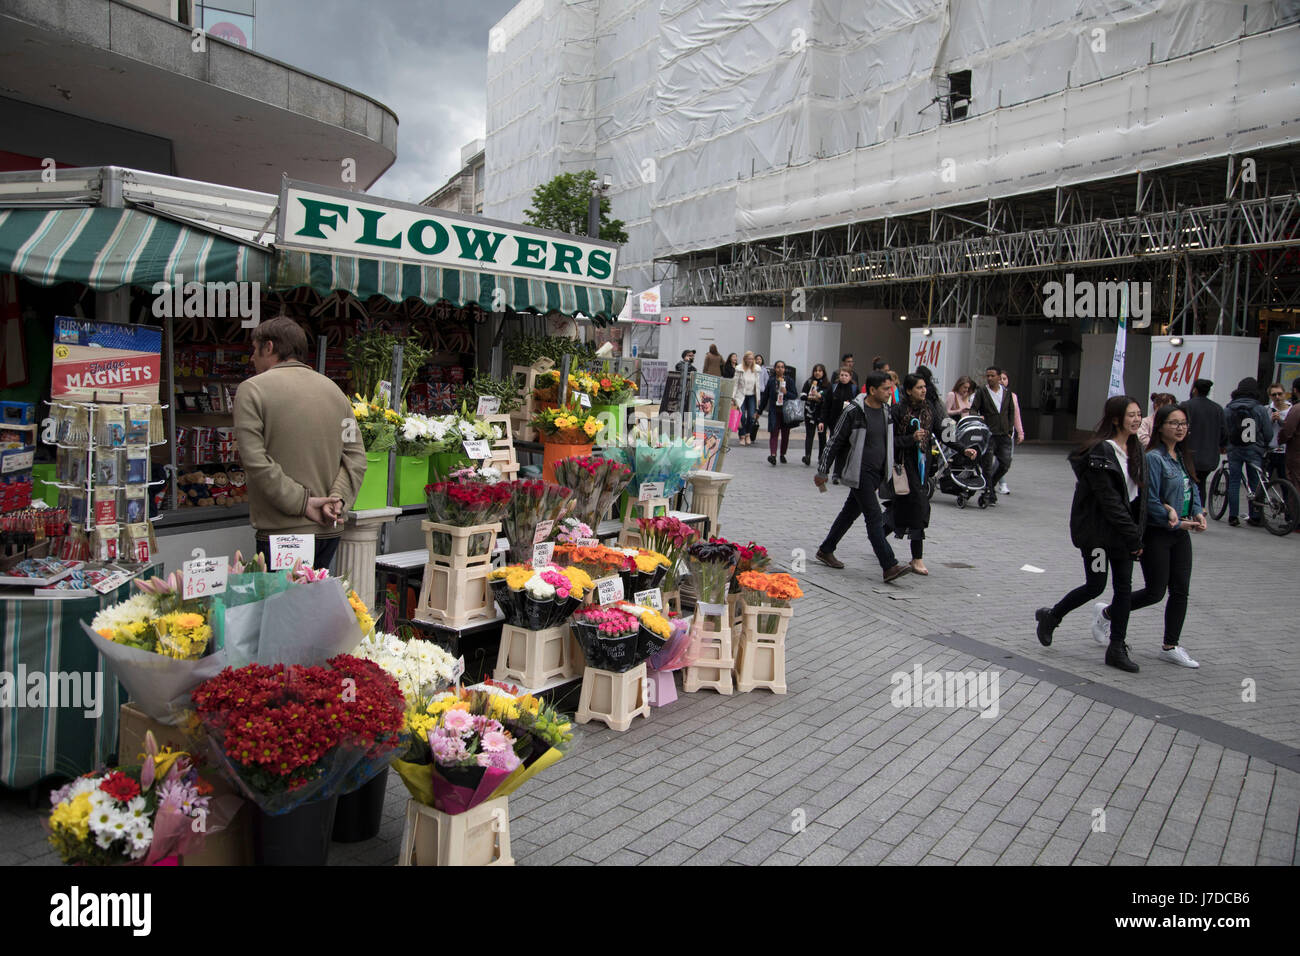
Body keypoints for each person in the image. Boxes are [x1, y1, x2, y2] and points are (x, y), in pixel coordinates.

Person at [233, 316, 367, 571]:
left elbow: (255, 461)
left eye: (254, 349)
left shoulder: (252, 390)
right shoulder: (334, 391)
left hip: (283, 531)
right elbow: (356, 456)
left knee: (281, 608)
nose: (252, 358)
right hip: (329, 529)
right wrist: (336, 500)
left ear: (269, 347)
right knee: (315, 607)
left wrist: (303, 503)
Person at [1034, 395, 1147, 673]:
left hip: (1123, 535)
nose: (1136, 419)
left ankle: (1117, 646)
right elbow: (1110, 502)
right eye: (1131, 415)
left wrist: (1137, 533)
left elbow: (1138, 498)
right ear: (1116, 418)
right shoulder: (1101, 453)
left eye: (1139, 414)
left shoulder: (1137, 450)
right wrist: (1134, 536)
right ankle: (1052, 616)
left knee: (1123, 588)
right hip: (1098, 536)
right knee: (1096, 584)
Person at [1114, 402, 1205, 668]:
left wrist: (1198, 513)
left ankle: (1170, 645)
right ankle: (1109, 613)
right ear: (1160, 427)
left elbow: (1192, 489)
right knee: (1155, 592)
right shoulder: (1153, 457)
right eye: (1174, 423)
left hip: (1181, 533)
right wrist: (1169, 515)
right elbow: (1148, 500)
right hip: (1158, 533)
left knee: (1180, 590)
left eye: (1184, 424)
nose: (1180, 428)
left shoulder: (1182, 456)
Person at [813, 371, 913, 582]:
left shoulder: (887, 411)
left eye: (891, 388)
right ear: (872, 390)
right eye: (886, 389)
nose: (889, 392)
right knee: (874, 517)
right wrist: (823, 470)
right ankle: (889, 565)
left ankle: (826, 549)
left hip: (877, 473)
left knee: (849, 513)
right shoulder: (853, 411)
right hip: (859, 472)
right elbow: (835, 441)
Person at [882, 374, 934, 575]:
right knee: (919, 506)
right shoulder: (898, 411)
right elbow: (890, 441)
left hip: (922, 467)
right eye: (919, 387)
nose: (923, 390)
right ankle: (917, 558)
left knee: (902, 510)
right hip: (903, 466)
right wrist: (911, 438)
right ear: (910, 390)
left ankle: (877, 535)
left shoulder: (929, 410)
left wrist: (963, 449)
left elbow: (941, 433)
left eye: (924, 387)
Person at [1223, 377, 1273, 527]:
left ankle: (1233, 516)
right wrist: (1264, 444)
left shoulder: (1229, 408)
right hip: (1254, 449)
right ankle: (1256, 515)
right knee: (1255, 481)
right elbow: (1268, 432)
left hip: (1234, 449)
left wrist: (1225, 444)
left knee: (1234, 482)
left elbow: (1224, 430)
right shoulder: (1260, 409)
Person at [968, 366, 1016, 505]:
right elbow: (973, 409)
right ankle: (989, 492)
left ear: (999, 377)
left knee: (1005, 463)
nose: (989, 378)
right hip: (988, 434)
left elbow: (1011, 412)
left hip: (1004, 434)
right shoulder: (982, 392)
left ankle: (991, 485)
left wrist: (1010, 430)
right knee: (987, 466)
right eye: (987, 376)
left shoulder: (1006, 392)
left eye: (992, 376)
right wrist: (977, 421)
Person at [1184, 378, 1226, 506]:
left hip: (1188, 455)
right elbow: (1224, 432)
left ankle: (1188, 509)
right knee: (1201, 483)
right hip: (1209, 457)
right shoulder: (1217, 409)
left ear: (1194, 389)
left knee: (1188, 483)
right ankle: (1199, 509)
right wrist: (1222, 446)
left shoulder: (1186, 406)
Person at [820, 366, 857, 483]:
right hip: (834, 422)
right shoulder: (834, 387)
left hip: (849, 423)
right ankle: (830, 471)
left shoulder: (855, 389)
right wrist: (822, 420)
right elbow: (826, 405)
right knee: (834, 445)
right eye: (842, 375)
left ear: (850, 377)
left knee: (845, 448)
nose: (843, 377)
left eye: (846, 375)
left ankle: (839, 472)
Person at [757, 359, 797, 464]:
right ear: (775, 369)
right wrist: (759, 411)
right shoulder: (771, 381)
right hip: (774, 410)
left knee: (785, 434)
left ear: (785, 369)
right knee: (774, 432)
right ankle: (773, 455)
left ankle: (783, 454)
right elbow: (765, 397)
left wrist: (786, 392)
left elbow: (794, 395)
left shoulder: (789, 380)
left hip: (786, 411)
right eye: (778, 367)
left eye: (782, 367)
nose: (780, 369)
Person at [996, 371, 1026, 495]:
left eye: (1005, 378)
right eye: (1000, 378)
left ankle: (997, 481)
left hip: (1007, 433)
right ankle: (997, 482)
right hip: (992, 431)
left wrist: (1020, 432)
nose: (1002, 381)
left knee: (1005, 460)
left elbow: (1016, 415)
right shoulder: (989, 394)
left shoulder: (1012, 396)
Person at [800, 363, 829, 465]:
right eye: (816, 371)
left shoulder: (827, 385)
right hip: (810, 412)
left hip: (822, 413)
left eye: (820, 371)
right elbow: (802, 395)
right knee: (810, 434)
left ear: (823, 372)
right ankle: (807, 456)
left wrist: (819, 397)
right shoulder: (809, 382)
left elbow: (827, 398)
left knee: (822, 435)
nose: (817, 373)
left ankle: (821, 457)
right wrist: (809, 397)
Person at [1277, 380, 1300, 498]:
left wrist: (1279, 440)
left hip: (1296, 453)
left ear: (1295, 390)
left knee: (1295, 484)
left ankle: (1295, 514)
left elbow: (1287, 431)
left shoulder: (1296, 409)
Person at [1265, 382, 1292, 480]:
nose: (1277, 397)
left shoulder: (1292, 410)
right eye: (1274, 395)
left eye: (1280, 394)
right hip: (1270, 451)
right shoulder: (1266, 410)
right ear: (1270, 396)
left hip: (1286, 451)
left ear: (1284, 394)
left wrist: (1280, 421)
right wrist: (1271, 421)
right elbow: (1262, 429)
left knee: (1286, 482)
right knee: (1264, 482)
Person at [734, 351, 760, 445]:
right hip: (741, 395)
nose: (750, 360)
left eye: (752, 359)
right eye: (749, 359)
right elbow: (735, 384)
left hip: (752, 396)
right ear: (745, 359)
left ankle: (748, 434)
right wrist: (733, 397)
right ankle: (742, 436)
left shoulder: (756, 369)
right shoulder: (739, 369)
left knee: (751, 417)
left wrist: (759, 398)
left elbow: (758, 385)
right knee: (741, 417)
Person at [752, 353, 768, 442]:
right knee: (754, 408)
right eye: (757, 359)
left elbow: (766, 380)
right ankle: (752, 423)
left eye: (760, 359)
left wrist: (765, 390)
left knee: (758, 408)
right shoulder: (752, 369)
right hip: (753, 391)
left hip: (761, 391)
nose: (758, 360)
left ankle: (755, 422)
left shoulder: (764, 370)